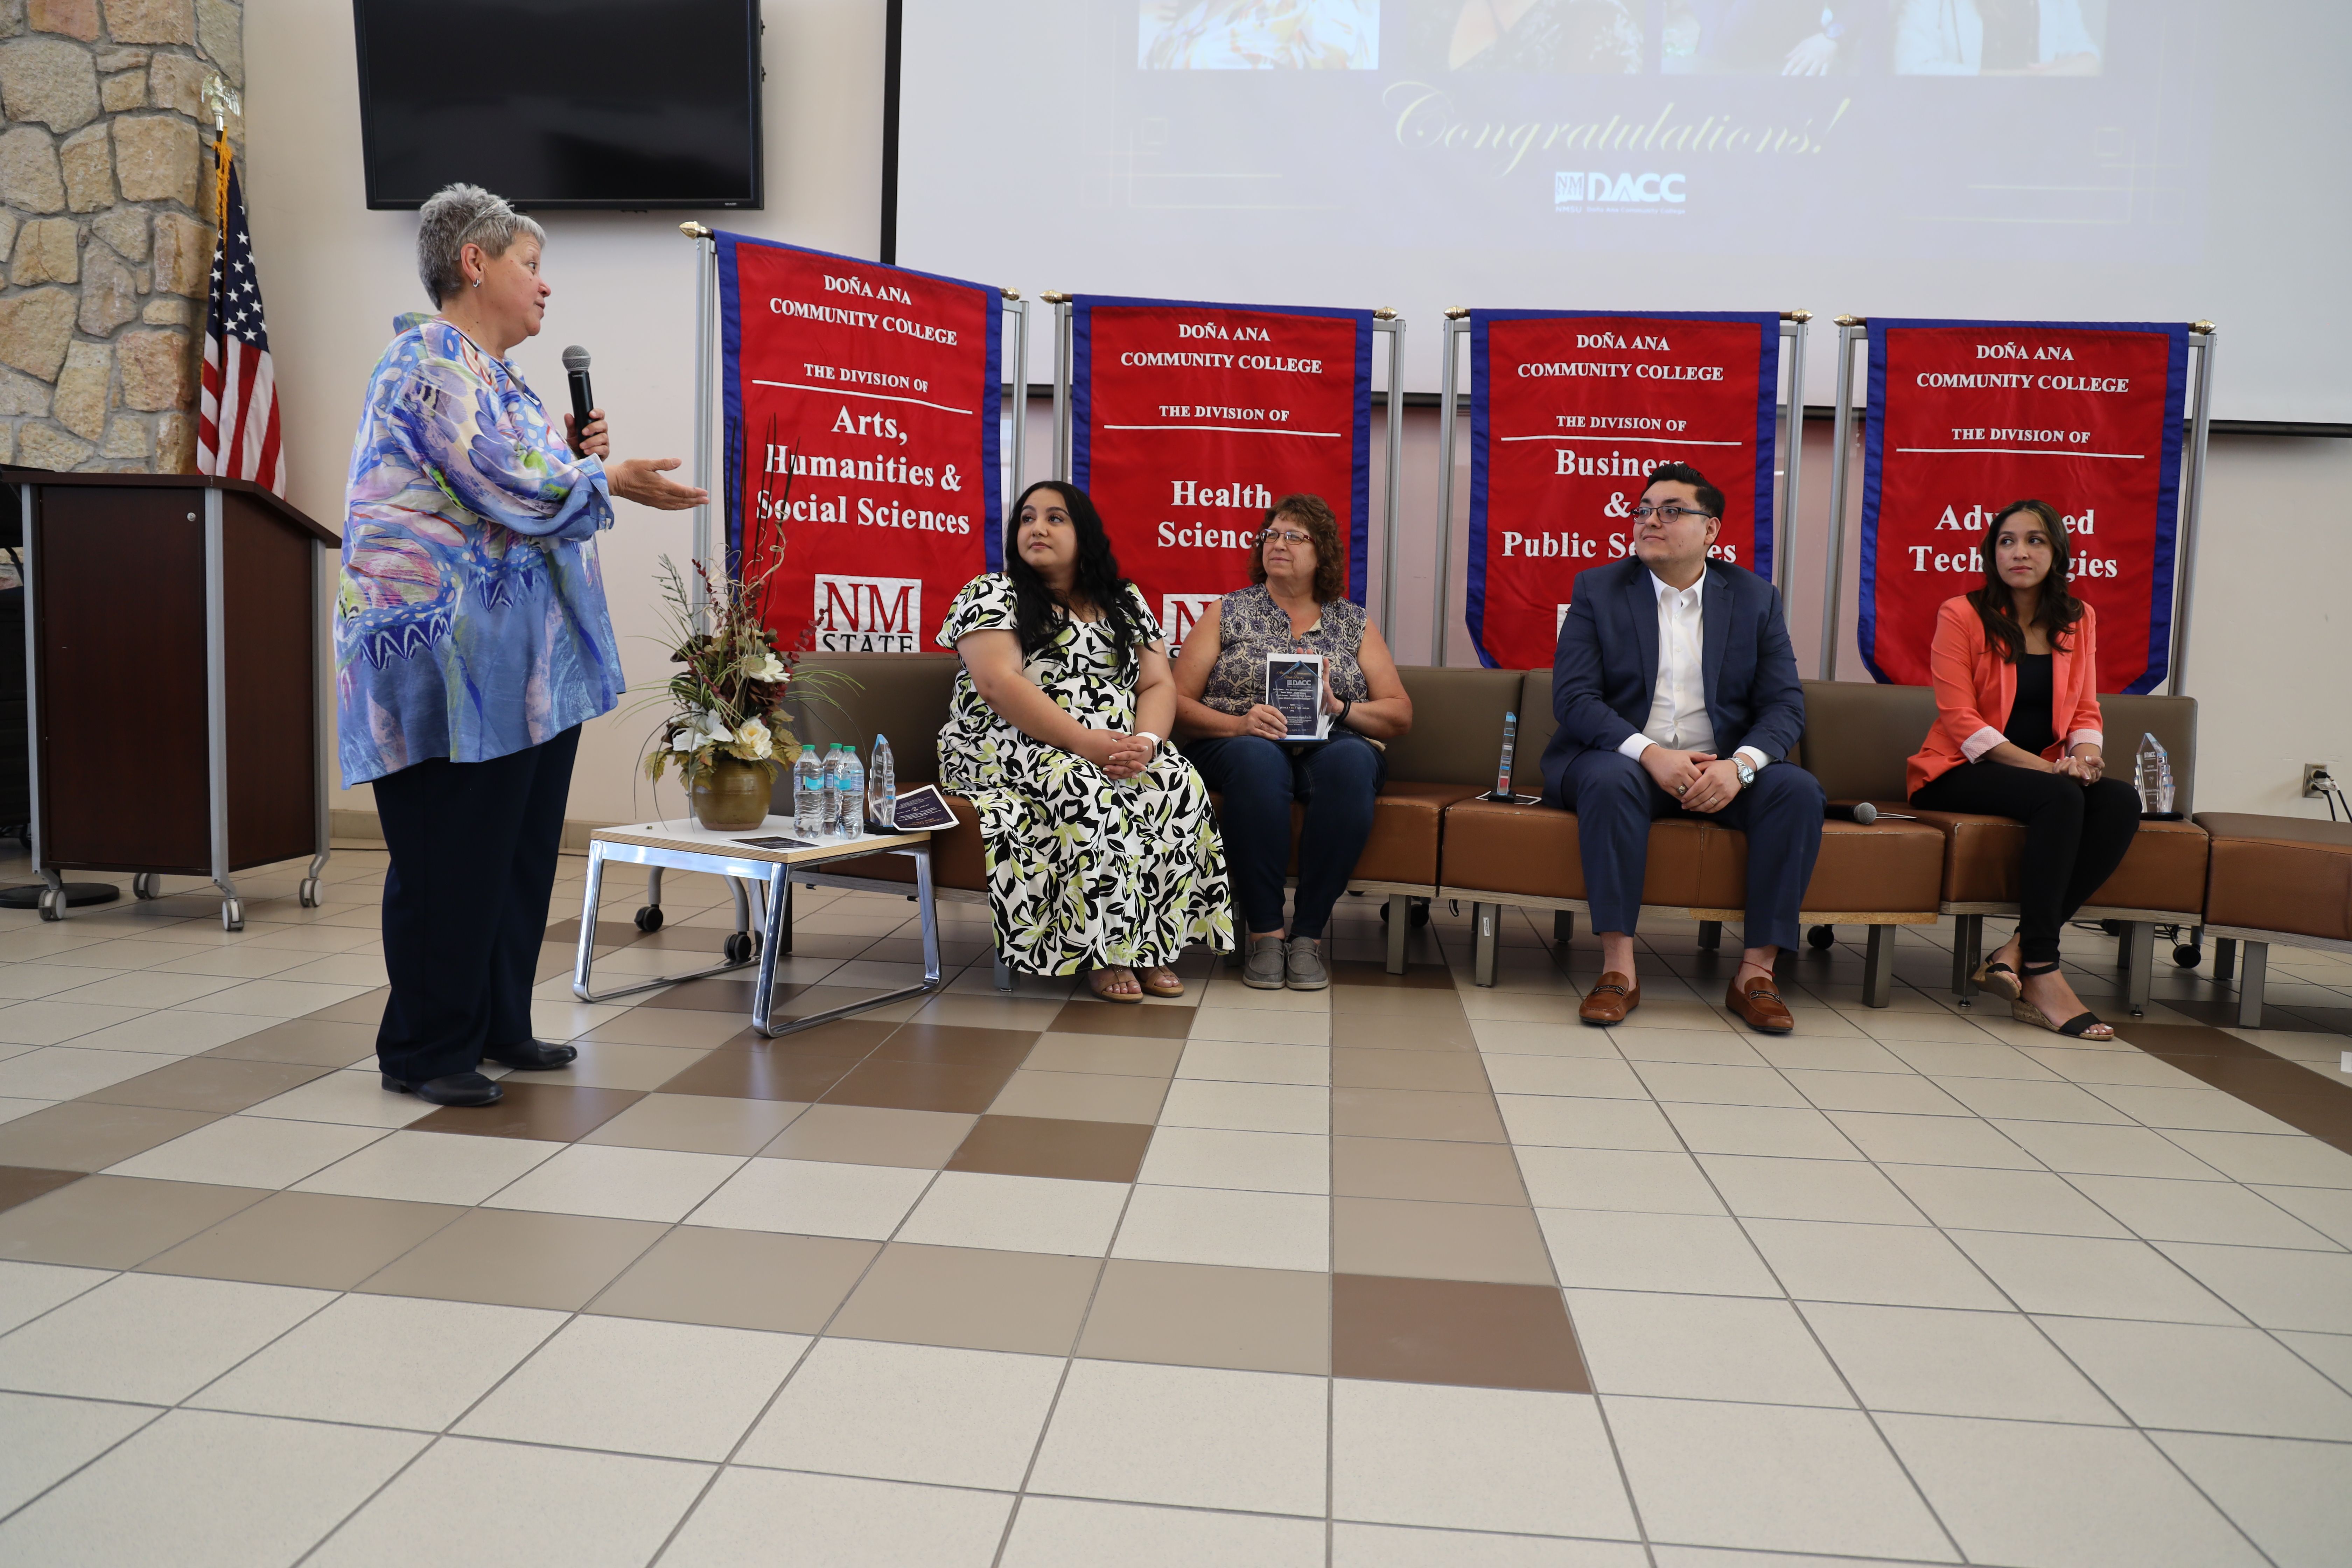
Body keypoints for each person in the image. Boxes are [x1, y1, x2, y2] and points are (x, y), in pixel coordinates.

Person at [338, 184, 706, 1107]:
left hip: (522, 671)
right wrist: (603, 476)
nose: (546, 288)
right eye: (531, 266)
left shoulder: (502, 379)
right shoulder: (425, 361)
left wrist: (587, 465)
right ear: (476, 262)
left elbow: (539, 492)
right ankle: (424, 1049)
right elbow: (499, 483)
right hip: (441, 670)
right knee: (449, 857)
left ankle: (497, 1021)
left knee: (512, 855)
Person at [1537, 462, 1822, 1032]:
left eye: (1671, 511)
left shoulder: (1754, 597)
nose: (1650, 521)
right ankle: (1619, 971)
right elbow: (1573, 698)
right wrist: (1648, 753)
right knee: (1612, 782)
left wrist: (1740, 766)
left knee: (1796, 789)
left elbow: (1785, 706)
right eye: (1643, 510)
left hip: (1719, 765)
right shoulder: (1599, 588)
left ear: (1711, 530)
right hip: (1621, 761)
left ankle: (1756, 974)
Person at [938, 481, 1233, 1001]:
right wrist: (1085, 744)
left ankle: (1152, 946)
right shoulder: (991, 593)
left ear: (1085, 535)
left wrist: (1145, 742)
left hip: (1112, 745)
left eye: (1055, 519)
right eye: (1027, 518)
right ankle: (1101, 951)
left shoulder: (1125, 600)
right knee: (1083, 784)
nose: (1037, 528)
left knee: (1175, 781)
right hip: (1004, 745)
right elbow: (998, 685)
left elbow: (1158, 683)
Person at [1906, 499, 2139, 1039]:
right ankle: (2042, 970)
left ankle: (2015, 952)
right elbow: (1960, 720)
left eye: (2035, 541)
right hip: (1957, 770)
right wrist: (2049, 770)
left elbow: (2085, 708)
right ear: (1991, 552)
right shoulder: (1960, 614)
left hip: (2046, 776)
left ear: (2057, 551)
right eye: (2006, 541)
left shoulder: (2079, 618)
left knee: (2120, 800)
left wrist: (2083, 757)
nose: (2019, 552)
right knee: (2060, 798)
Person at [1172, 494, 1413, 990]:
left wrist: (1340, 708)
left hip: (1332, 744)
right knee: (1258, 761)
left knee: (1351, 766)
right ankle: (1265, 934)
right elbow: (1172, 702)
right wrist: (1237, 724)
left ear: (1322, 553)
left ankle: (1308, 937)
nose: (1278, 544)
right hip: (1236, 742)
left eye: (1294, 537)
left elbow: (1399, 714)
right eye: (1271, 535)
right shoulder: (1227, 613)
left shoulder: (1353, 623)